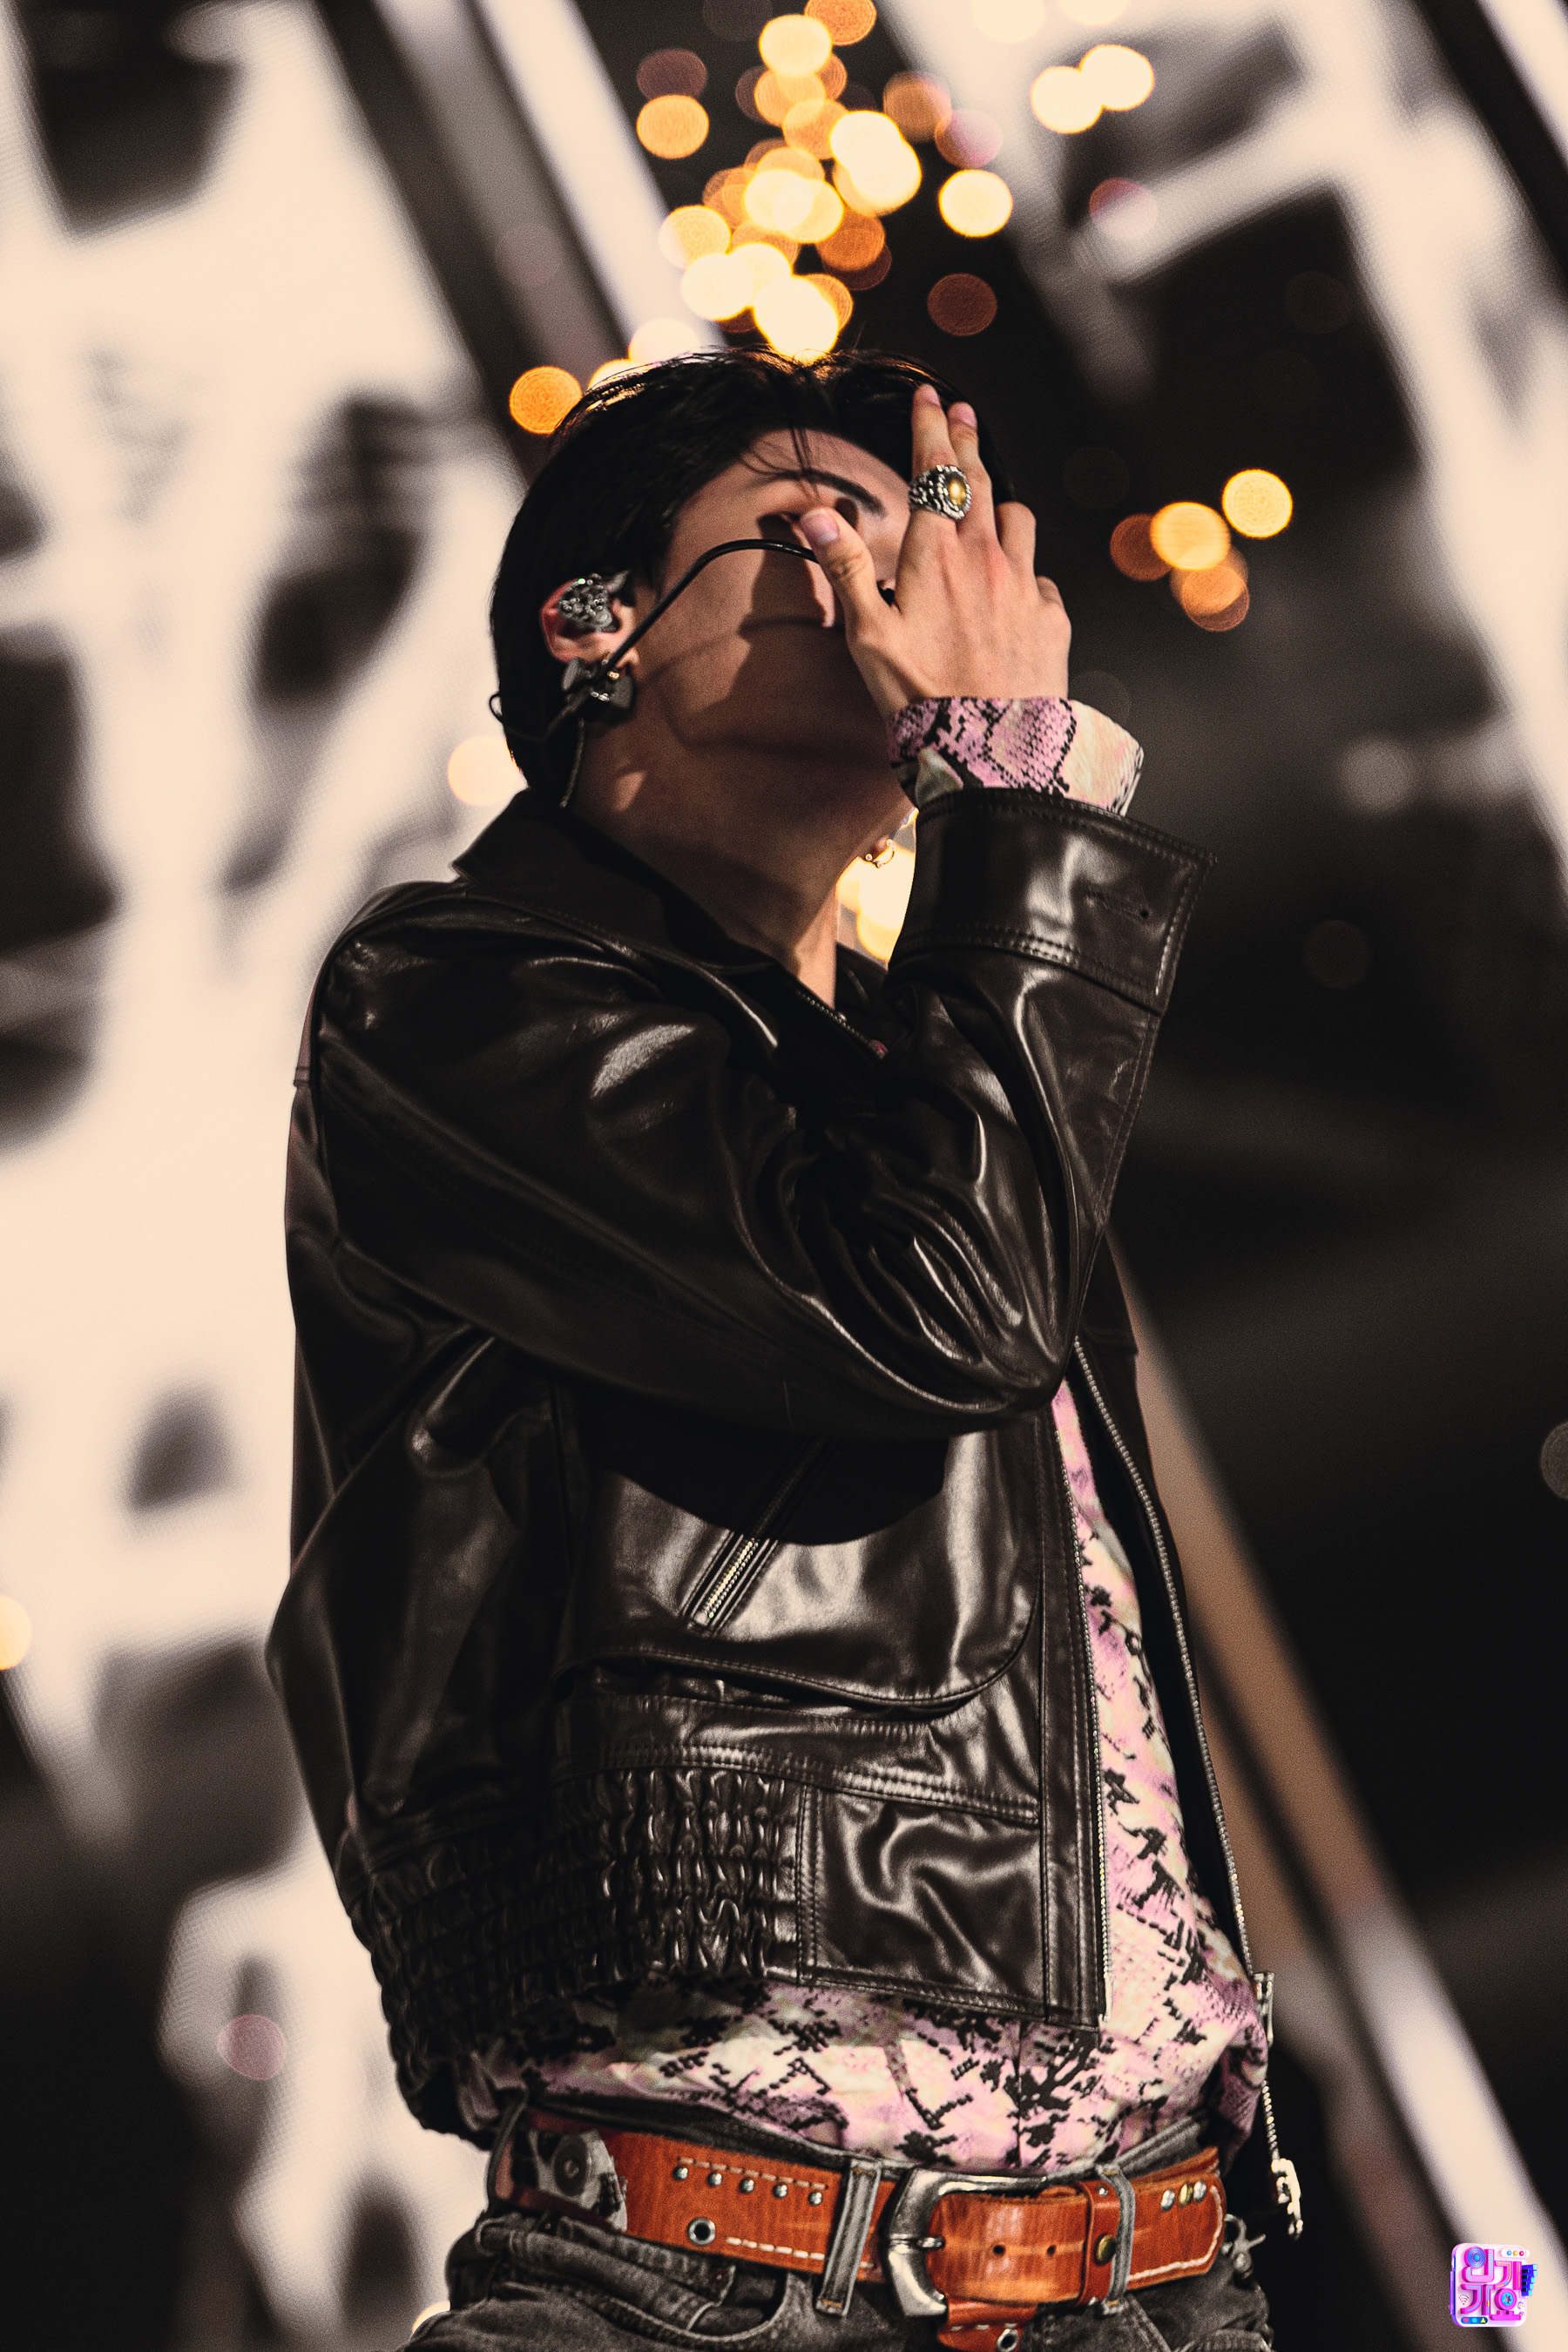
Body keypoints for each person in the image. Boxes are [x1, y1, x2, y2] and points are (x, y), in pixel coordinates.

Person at [270, 350, 1296, 2351]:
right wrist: (1011, 782)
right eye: (808, 526)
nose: (885, 581)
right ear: (596, 628)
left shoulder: (928, 1070)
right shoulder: (450, 1001)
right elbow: (938, 1308)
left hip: (1156, 2278)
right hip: (717, 2279)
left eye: (914, 530)